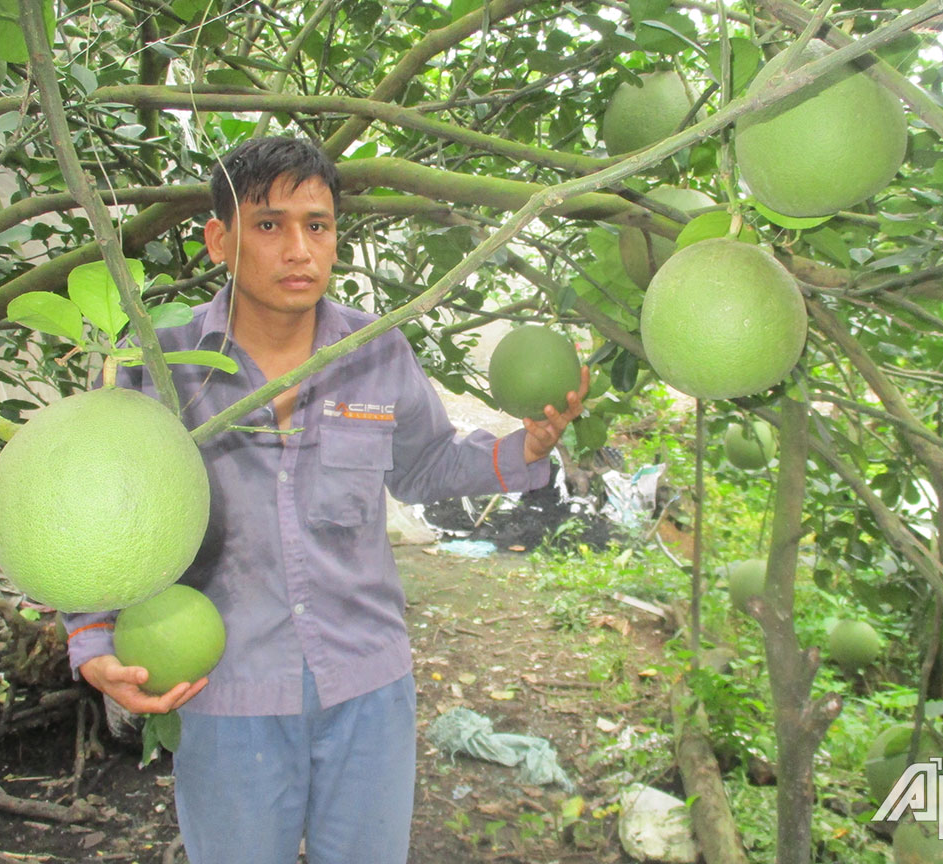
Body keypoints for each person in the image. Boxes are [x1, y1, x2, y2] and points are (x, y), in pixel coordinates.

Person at [61, 136, 587, 864]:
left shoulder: (374, 350)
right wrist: (90, 639)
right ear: (220, 239)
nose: (300, 249)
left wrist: (524, 451)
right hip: (223, 689)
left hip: (366, 686)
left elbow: (425, 465)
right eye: (270, 225)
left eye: (319, 225)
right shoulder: (164, 369)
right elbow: (94, 514)